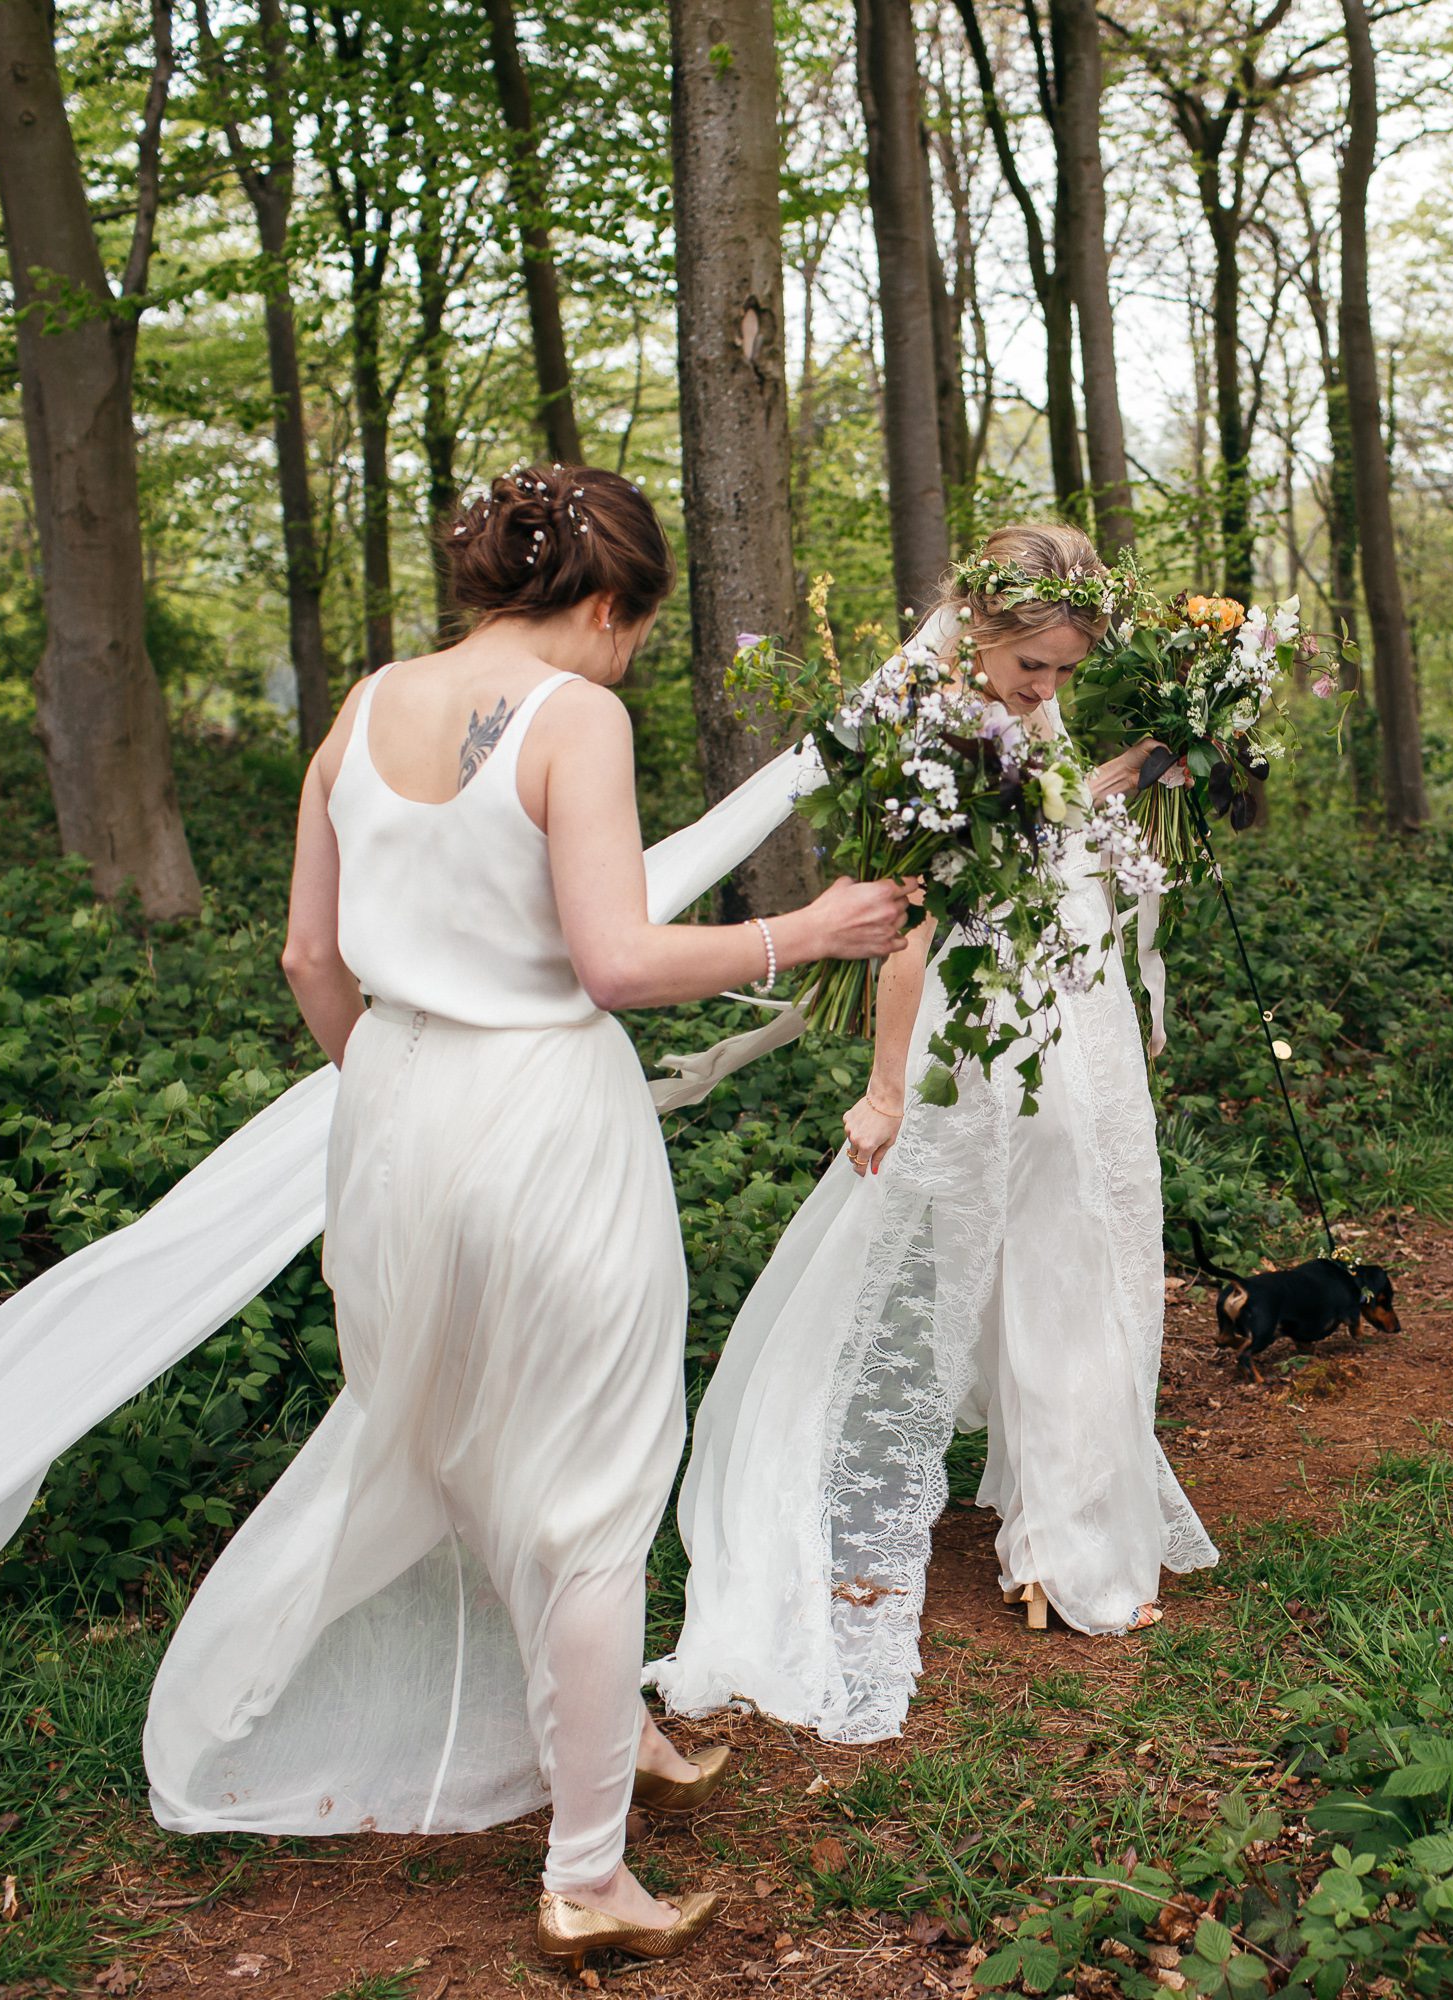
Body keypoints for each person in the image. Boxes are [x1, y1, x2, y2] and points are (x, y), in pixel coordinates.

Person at [136, 467, 910, 1968]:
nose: (630, 662)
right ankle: (585, 1875)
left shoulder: (362, 707)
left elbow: (309, 957)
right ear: (610, 605)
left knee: (472, 1445)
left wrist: (405, 1096)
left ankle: (607, 1728)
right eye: (638, 633)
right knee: (597, 1483)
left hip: (390, 1114)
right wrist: (803, 933)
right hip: (546, 1120)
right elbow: (615, 963)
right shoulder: (578, 720)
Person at [656, 524, 1218, 1748]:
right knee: (935, 1236)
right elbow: (904, 920)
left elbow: (1060, 814)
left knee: (1079, 1233)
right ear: (981, 628)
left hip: (1071, 1003)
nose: (1048, 692)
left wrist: (1151, 757)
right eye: (1036, 670)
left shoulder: (1031, 714)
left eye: (1068, 673)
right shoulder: (931, 734)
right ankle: (863, 1494)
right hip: (982, 1020)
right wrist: (887, 1087)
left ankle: (1065, 1531)